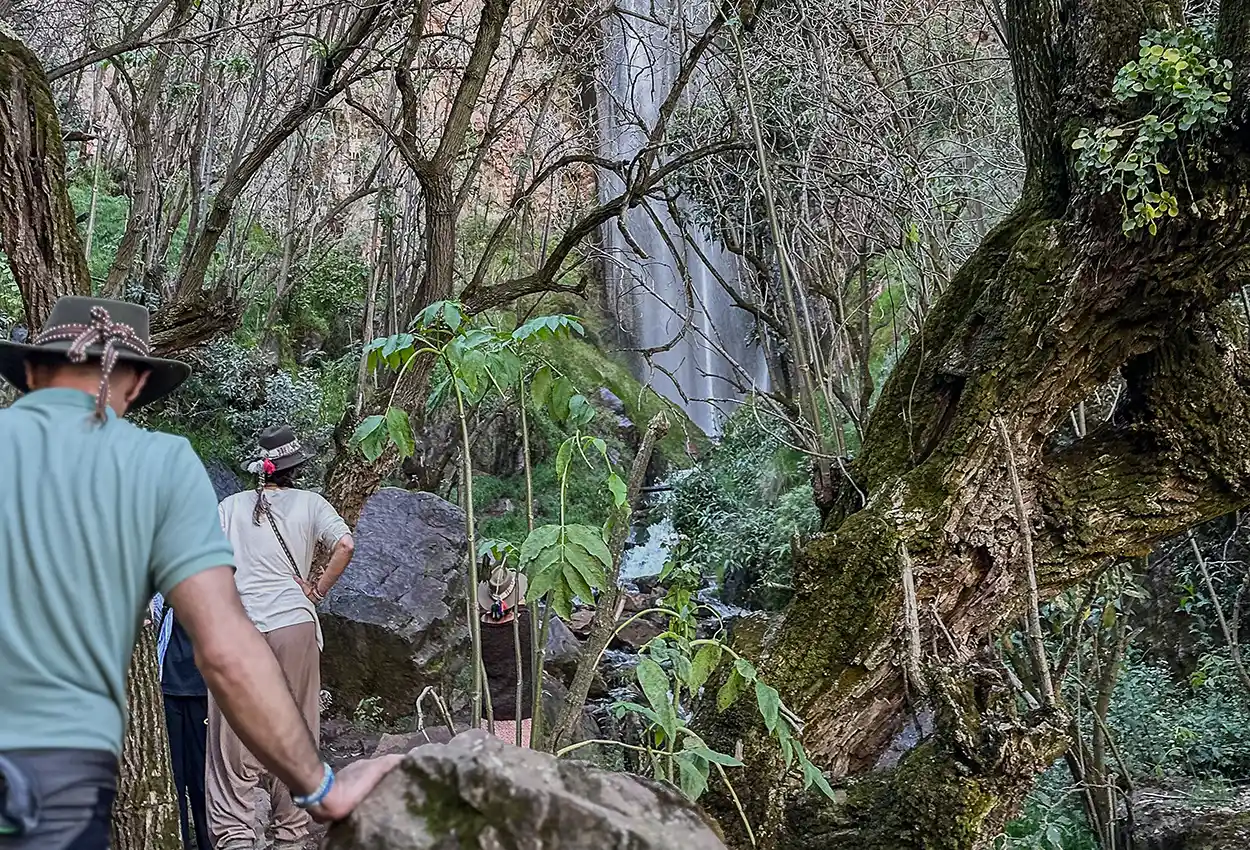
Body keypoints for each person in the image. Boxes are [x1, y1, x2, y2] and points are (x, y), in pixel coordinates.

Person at [0, 296, 397, 850]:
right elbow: (225, 649)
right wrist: (322, 786)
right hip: (45, 780)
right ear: (136, 385)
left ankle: (234, 832)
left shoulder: (227, 505)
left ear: (32, 371)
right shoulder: (157, 465)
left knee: (227, 760)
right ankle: (287, 830)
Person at [211, 425, 355, 850]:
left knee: (229, 739)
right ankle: (290, 838)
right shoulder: (312, 504)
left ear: (261, 469)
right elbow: (345, 544)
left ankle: (235, 836)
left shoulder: (230, 507)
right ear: (296, 468)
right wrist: (317, 589)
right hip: (294, 625)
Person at [150, 593, 211, 850]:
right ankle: (182, 839)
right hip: (170, 687)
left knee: (198, 775)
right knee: (177, 775)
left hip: (199, 687)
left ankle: (205, 840)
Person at [477, 564, 535, 747]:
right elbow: (522, 609)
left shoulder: (481, 627)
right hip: (520, 711)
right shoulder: (525, 624)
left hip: (489, 710)